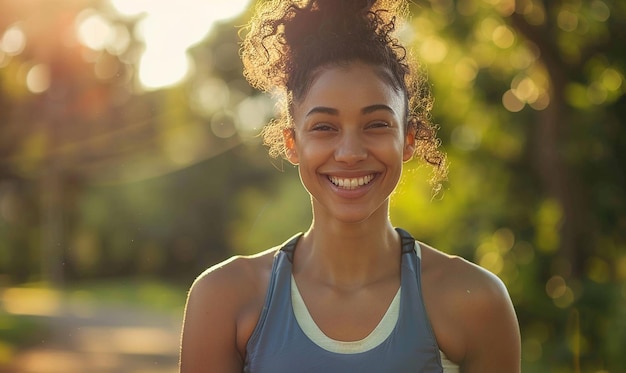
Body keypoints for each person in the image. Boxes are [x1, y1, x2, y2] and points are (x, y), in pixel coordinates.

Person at [179, 0, 521, 372]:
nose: (350, 153)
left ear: (408, 140)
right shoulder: (223, 298)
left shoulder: (475, 301)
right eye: (325, 127)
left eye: (376, 124)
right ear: (293, 144)